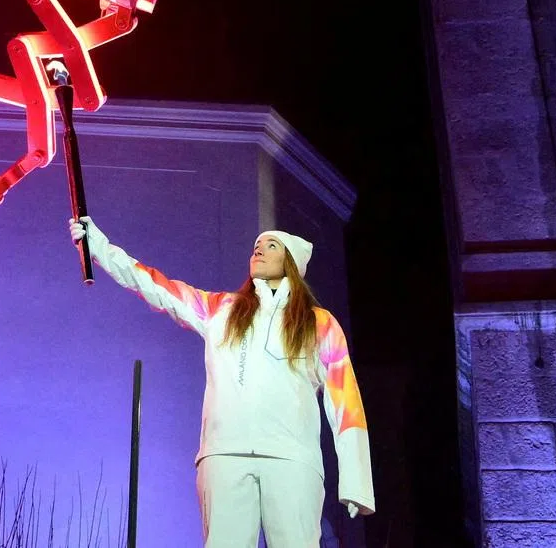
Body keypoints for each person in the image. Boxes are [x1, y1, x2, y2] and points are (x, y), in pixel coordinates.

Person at [69, 217, 374, 547]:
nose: (258, 249)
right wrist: (97, 245)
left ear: (291, 263)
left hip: (292, 460)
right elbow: (155, 285)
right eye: (256, 245)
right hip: (224, 455)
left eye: (271, 246)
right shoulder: (222, 310)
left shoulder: (319, 324)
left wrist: (356, 481)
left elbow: (346, 402)